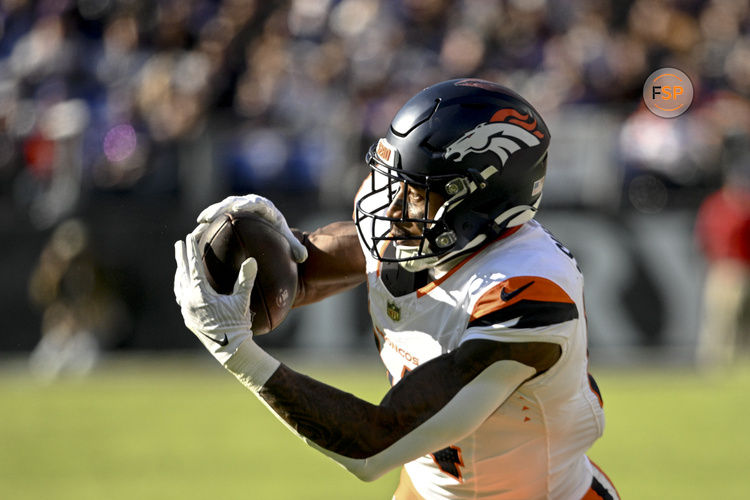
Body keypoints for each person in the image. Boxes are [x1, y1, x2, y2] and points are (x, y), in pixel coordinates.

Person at [174, 79, 619, 499]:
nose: (392, 206)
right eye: (396, 181)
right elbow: (294, 278)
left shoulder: (527, 291)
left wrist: (237, 353)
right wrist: (251, 244)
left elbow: (376, 443)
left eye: (418, 192)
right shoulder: (411, 228)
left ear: (479, 201)